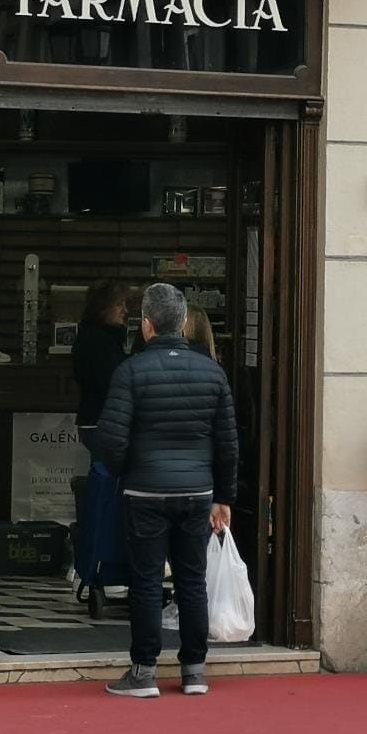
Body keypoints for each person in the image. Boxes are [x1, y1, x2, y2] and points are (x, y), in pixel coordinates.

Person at [93, 283, 240, 699]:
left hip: (145, 491)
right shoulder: (212, 372)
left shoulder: (131, 371)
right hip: (197, 492)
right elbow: (228, 443)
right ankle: (194, 670)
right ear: (183, 321)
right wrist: (223, 497)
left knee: (146, 582)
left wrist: (126, 469)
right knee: (193, 581)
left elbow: (111, 440)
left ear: (146, 325)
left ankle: (143, 672)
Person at [72, 280, 132, 459]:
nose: (125, 311)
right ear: (102, 308)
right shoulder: (100, 342)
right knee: (106, 475)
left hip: (95, 418)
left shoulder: (99, 338)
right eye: (119, 304)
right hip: (102, 420)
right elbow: (111, 383)